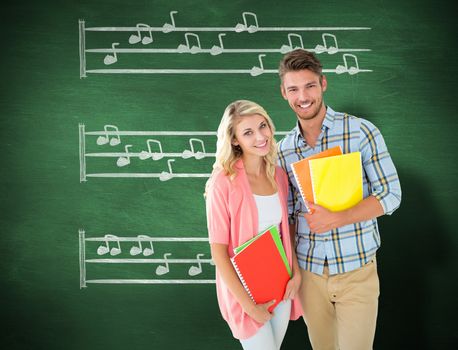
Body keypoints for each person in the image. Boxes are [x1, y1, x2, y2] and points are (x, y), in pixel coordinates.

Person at [276, 49, 402, 350]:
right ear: (284, 93)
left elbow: (391, 194)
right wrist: (292, 270)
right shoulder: (282, 150)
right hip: (309, 273)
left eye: (309, 86)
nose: (302, 96)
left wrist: (338, 218)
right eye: (293, 89)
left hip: (356, 269)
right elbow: (290, 215)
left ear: (323, 84)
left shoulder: (360, 131)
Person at [205, 100, 302, 350]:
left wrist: (296, 274)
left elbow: (285, 230)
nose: (260, 136)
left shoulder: (278, 175)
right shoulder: (223, 182)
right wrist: (249, 306)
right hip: (244, 293)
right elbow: (218, 252)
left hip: (281, 283)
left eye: (263, 126)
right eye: (248, 132)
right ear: (235, 139)